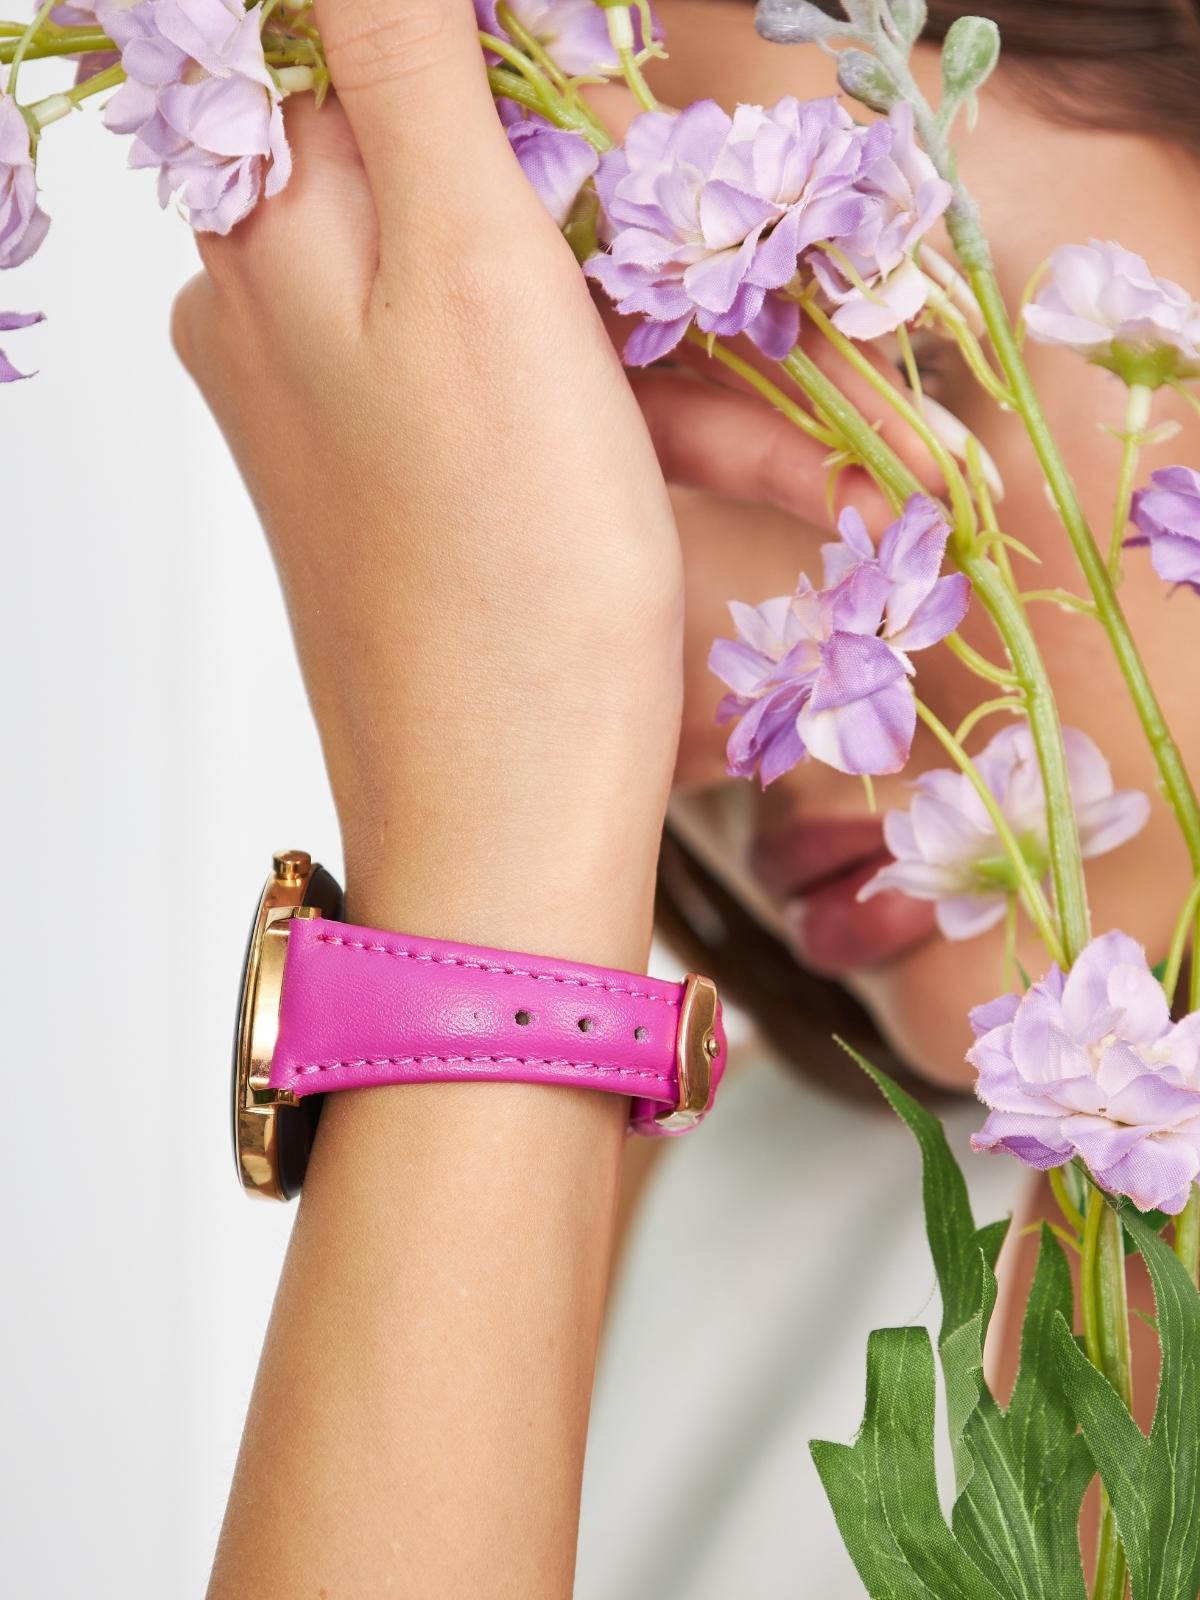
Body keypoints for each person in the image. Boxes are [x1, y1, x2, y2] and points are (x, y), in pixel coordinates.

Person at [178, 1, 1200, 1593]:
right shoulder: (649, 1208)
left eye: (910, 385)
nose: (720, 702)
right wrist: (488, 892)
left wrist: (465, 978)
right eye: (589, 498)